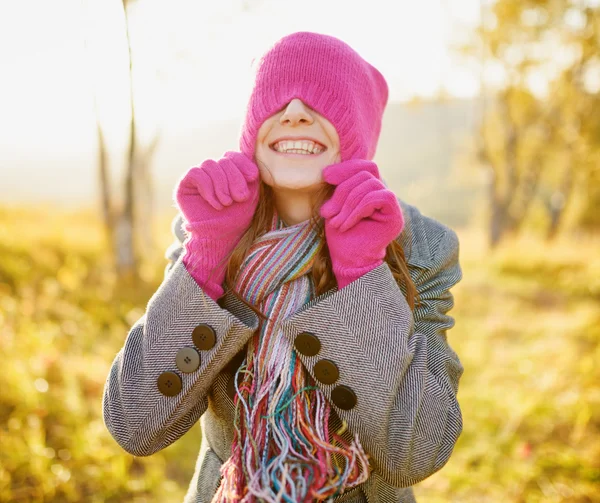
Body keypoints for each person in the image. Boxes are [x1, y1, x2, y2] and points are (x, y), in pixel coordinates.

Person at [102, 31, 464, 503]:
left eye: (324, 102)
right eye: (276, 101)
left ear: (355, 132)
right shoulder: (209, 226)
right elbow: (135, 425)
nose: (294, 112)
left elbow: (415, 453)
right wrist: (206, 255)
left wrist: (362, 274)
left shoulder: (422, 247)